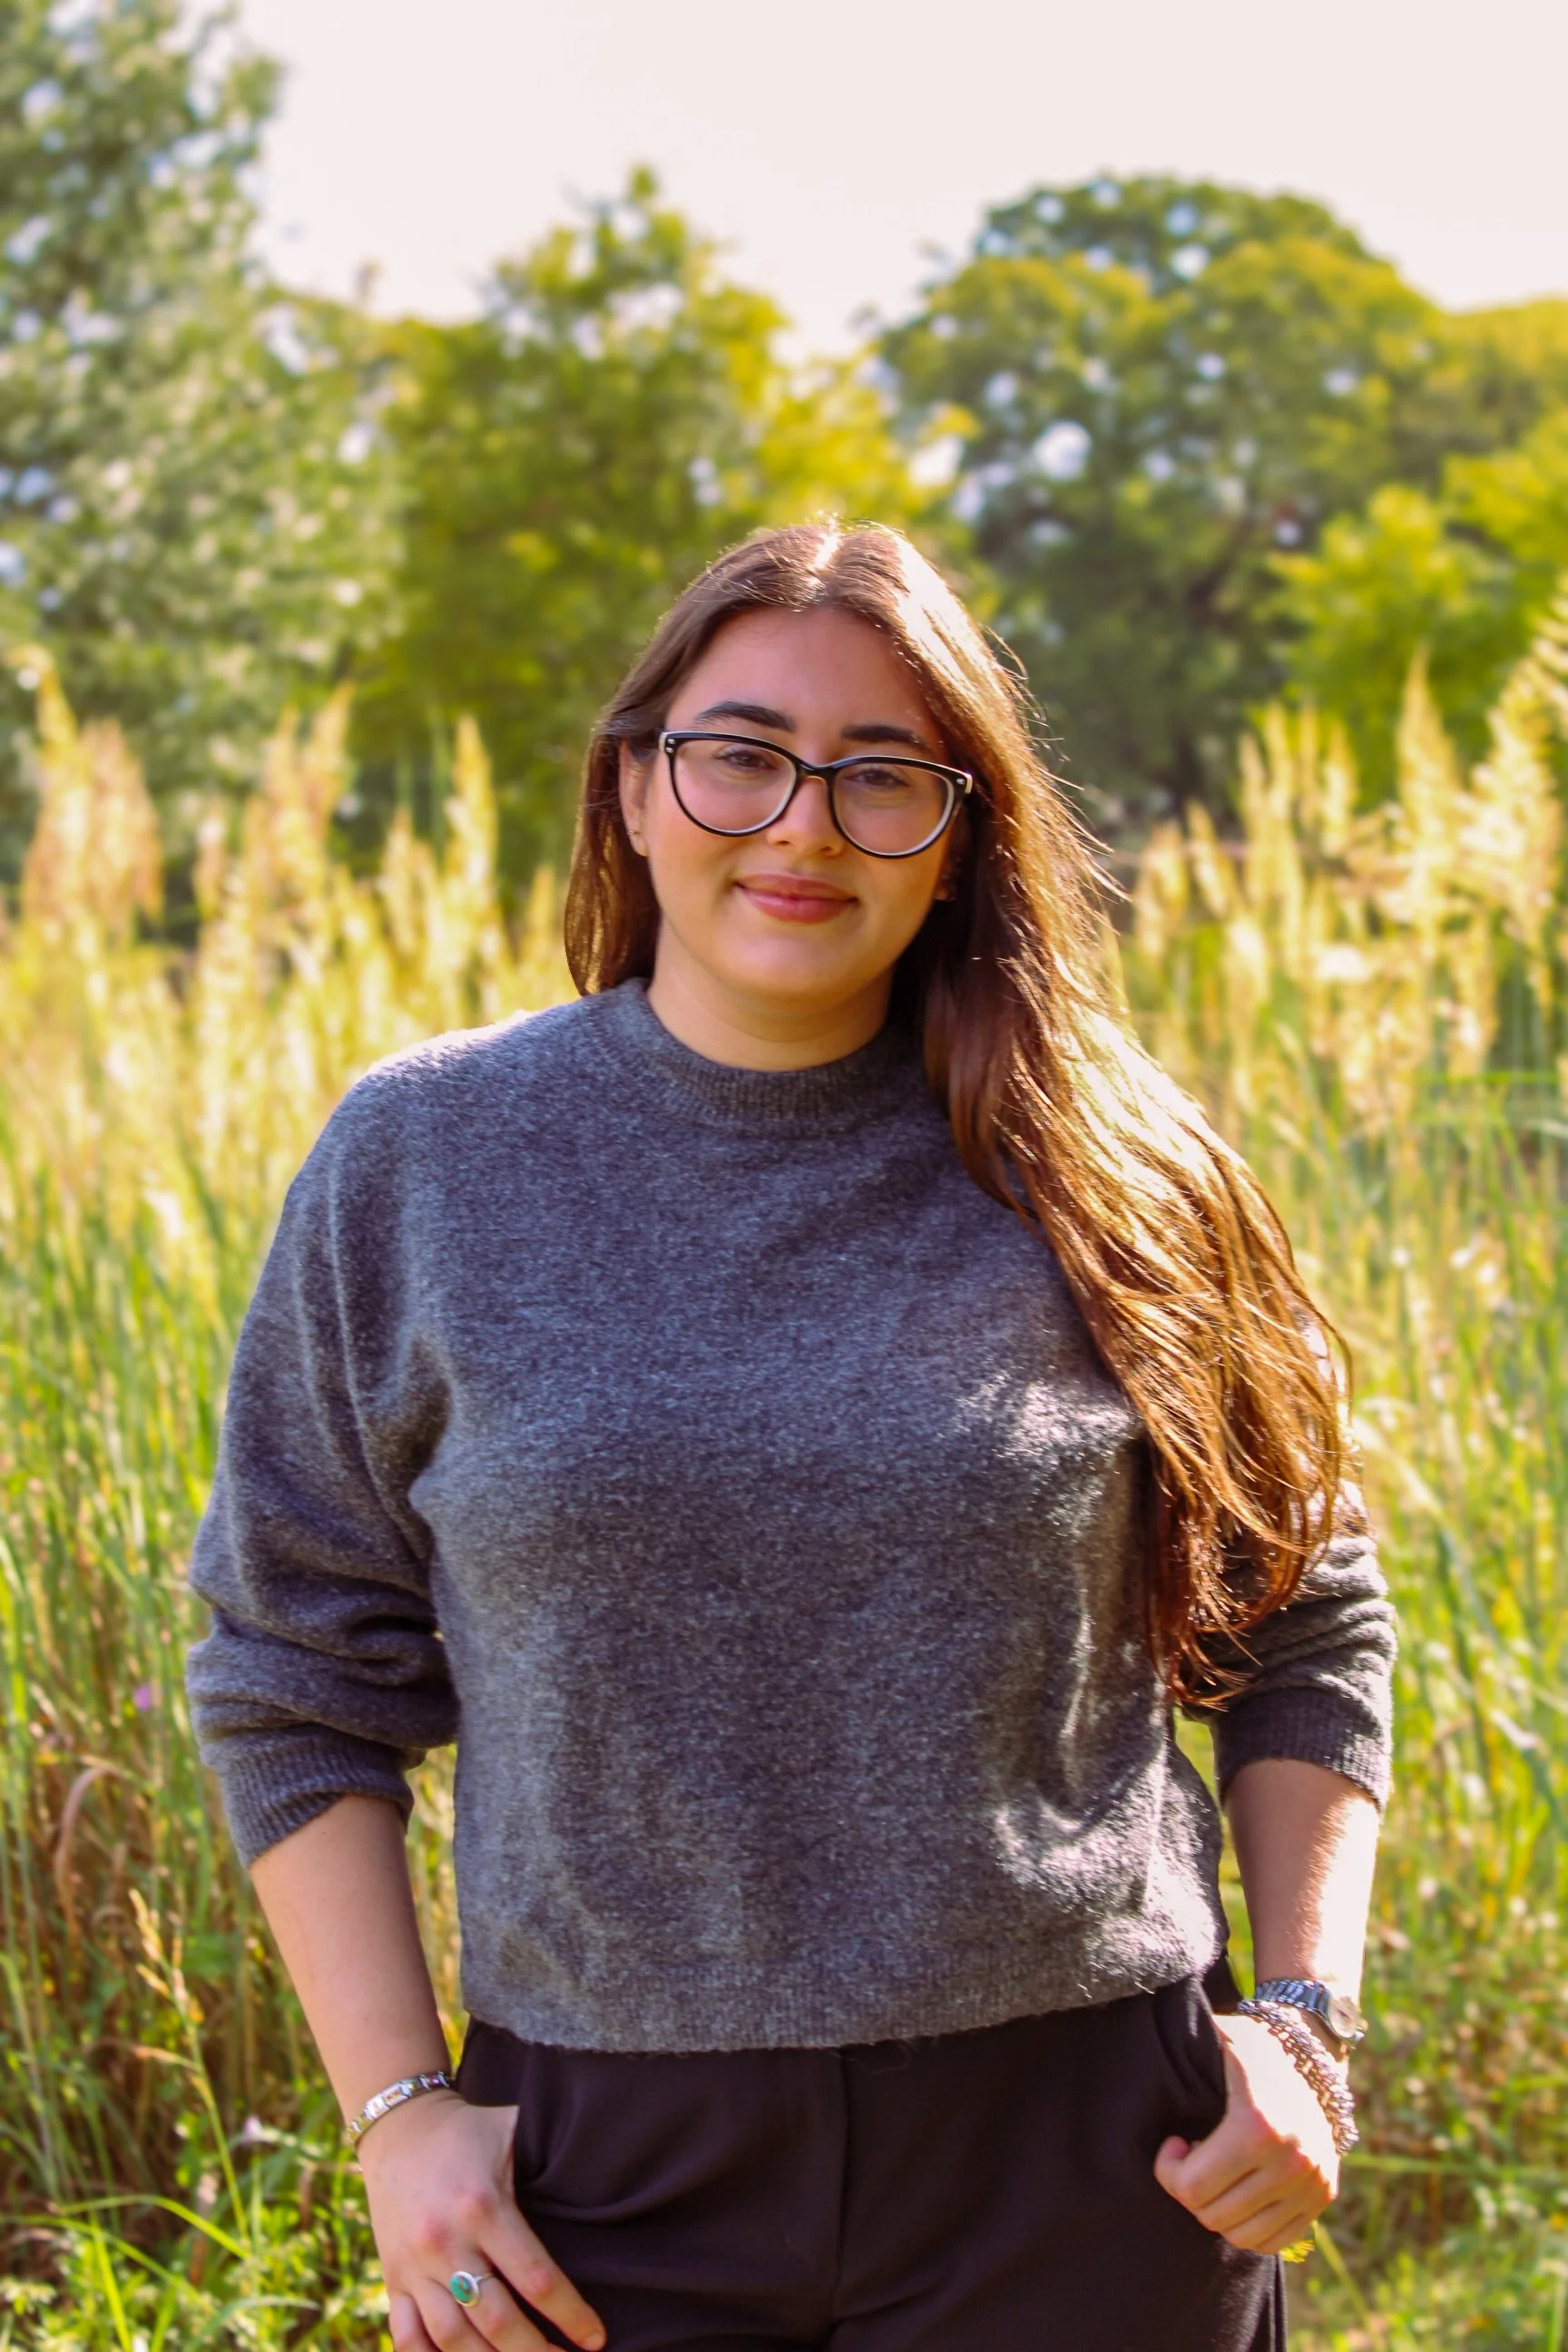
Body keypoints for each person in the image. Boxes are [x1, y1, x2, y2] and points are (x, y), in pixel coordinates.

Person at [186, 522, 1396, 2352]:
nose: (803, 824)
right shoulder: (424, 1163)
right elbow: (290, 1678)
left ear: (962, 835)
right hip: (593, 2190)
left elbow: (1307, 1618)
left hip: (1087, 2166)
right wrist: (396, 2116)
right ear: (637, 791)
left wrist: (1303, 2018)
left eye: (883, 776)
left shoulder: (1123, 1176)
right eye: (741, 751)